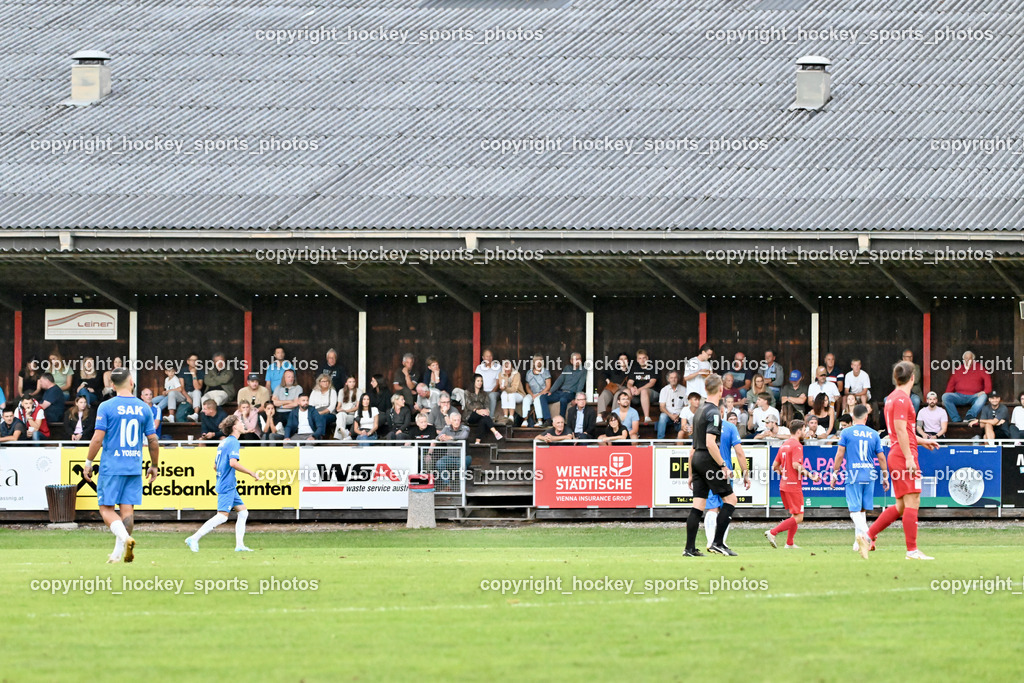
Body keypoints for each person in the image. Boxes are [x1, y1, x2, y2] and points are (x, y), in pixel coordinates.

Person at [81, 367, 159, 564]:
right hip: (133, 466)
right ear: (132, 382)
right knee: (127, 511)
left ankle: (125, 539)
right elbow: (153, 441)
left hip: (112, 466)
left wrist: (88, 463)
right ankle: (117, 554)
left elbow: (97, 439)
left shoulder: (106, 407)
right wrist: (154, 465)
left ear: (112, 385)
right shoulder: (144, 407)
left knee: (106, 509)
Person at [866, 361, 940, 560]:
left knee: (900, 506)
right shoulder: (902, 399)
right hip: (902, 454)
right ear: (913, 378)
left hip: (897, 452)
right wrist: (909, 457)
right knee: (913, 501)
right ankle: (912, 551)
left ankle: (867, 535)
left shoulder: (892, 397)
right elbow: (900, 429)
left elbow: (904, 431)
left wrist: (923, 441)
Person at [682, 374, 739, 557]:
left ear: (706, 389)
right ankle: (718, 542)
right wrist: (723, 465)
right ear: (721, 390)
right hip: (708, 460)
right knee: (731, 500)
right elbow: (710, 443)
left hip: (697, 458)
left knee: (698, 504)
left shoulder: (698, 411)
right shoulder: (714, 412)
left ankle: (689, 548)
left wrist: (691, 472)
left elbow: (693, 446)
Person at [185, 415, 260, 553]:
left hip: (225, 481)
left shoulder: (224, 442)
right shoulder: (233, 442)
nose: (243, 424)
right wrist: (251, 473)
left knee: (243, 512)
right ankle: (194, 538)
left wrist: (223, 474)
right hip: (227, 483)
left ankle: (240, 545)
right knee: (222, 516)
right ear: (234, 426)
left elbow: (215, 466)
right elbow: (233, 463)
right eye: (240, 422)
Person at [830, 404, 887, 559]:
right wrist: (885, 475)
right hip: (869, 474)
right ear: (866, 416)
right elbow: (881, 457)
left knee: (854, 510)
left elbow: (840, 455)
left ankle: (869, 534)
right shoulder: (874, 434)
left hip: (854, 474)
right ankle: (857, 544)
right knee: (862, 510)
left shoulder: (847, 432)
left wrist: (834, 474)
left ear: (853, 417)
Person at [698, 404, 750, 552]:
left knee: (712, 508)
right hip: (724, 471)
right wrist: (745, 474)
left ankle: (710, 542)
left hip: (707, 470)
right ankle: (720, 543)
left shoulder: (704, 427)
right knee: (726, 506)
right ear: (723, 411)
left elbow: (694, 450)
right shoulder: (730, 427)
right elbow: (740, 453)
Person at [765, 420, 818, 550]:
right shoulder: (797, 445)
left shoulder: (784, 444)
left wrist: (783, 472)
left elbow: (774, 466)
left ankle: (789, 543)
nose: (805, 432)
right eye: (804, 429)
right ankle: (772, 532)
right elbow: (796, 465)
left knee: (794, 515)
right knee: (799, 517)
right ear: (799, 431)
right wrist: (811, 475)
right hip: (793, 485)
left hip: (784, 485)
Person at [941, 350, 991, 423]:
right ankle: (956, 419)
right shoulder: (958, 369)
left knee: (983, 396)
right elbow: (951, 383)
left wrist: (985, 391)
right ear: (963, 359)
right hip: (959, 396)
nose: (967, 360)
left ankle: (969, 416)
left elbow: (988, 380)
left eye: (969, 358)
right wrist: (945, 398)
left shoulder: (979, 367)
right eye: (965, 358)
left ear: (973, 359)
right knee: (945, 396)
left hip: (974, 396)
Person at [463, 374, 504, 444]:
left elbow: (487, 405)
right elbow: (469, 405)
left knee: (484, 419)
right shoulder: (467, 392)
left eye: (481, 381)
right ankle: (495, 431)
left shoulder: (484, 394)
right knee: (483, 416)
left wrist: (487, 410)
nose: (480, 383)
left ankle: (477, 442)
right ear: (474, 382)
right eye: (478, 381)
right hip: (470, 415)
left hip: (482, 415)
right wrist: (478, 411)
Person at [547, 352, 586, 417]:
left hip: (570, 393)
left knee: (563, 399)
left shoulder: (583, 370)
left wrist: (577, 398)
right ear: (571, 361)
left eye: (579, 359)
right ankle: (547, 419)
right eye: (575, 359)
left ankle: (561, 419)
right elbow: (559, 380)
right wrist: (551, 391)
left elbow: (580, 386)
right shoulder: (567, 368)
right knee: (543, 397)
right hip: (561, 392)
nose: (577, 361)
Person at [625, 349, 658, 424]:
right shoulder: (635, 369)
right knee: (626, 391)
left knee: (644, 391)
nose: (642, 360)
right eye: (640, 358)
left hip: (651, 394)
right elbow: (629, 383)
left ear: (647, 358)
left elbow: (652, 383)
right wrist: (632, 388)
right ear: (637, 360)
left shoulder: (652, 368)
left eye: (644, 358)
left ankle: (646, 417)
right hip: (637, 395)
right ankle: (625, 417)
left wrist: (639, 389)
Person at [435, 412, 471, 478]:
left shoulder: (465, 428)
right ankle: (447, 485)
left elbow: (463, 437)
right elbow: (437, 437)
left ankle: (462, 486)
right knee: (439, 463)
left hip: (463, 456)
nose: (457, 422)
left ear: (460, 420)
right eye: (454, 420)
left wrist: (450, 437)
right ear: (451, 421)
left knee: (462, 464)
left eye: (458, 420)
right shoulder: (446, 428)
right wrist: (441, 438)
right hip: (450, 456)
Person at [596, 352, 631, 420]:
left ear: (628, 361)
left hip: (622, 389)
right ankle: (599, 416)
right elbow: (603, 373)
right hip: (612, 388)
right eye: (621, 359)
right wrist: (607, 380)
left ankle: (614, 417)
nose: (623, 361)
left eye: (625, 359)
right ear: (618, 361)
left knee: (618, 395)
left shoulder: (630, 370)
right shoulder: (613, 369)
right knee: (604, 394)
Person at [522, 355, 552, 427]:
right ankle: (525, 420)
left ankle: (539, 421)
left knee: (537, 400)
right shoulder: (529, 372)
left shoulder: (545, 372)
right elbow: (527, 387)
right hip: (532, 393)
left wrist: (537, 395)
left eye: (540, 360)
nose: (539, 362)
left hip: (542, 393)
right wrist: (532, 395)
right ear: (534, 362)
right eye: (537, 360)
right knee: (526, 399)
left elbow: (548, 386)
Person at [657, 371, 687, 439]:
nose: (673, 379)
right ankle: (660, 439)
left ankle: (680, 439)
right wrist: (671, 415)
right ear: (668, 379)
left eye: (675, 377)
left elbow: (686, 406)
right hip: (668, 415)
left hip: (680, 415)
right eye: (671, 378)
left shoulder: (684, 390)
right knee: (662, 417)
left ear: (678, 379)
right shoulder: (664, 390)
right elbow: (662, 407)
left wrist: (679, 415)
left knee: (685, 418)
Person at [175, 354, 204, 420]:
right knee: (172, 394)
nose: (194, 362)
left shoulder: (200, 371)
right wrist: (188, 398)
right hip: (184, 394)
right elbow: (181, 387)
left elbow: (197, 387)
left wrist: (194, 375)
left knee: (197, 391)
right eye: (192, 360)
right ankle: (171, 416)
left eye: (196, 360)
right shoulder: (183, 370)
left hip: (195, 394)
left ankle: (196, 414)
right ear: (188, 361)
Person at [474, 349, 502, 415]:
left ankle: (491, 417)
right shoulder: (479, 368)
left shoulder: (498, 367)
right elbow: (476, 382)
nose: (488, 358)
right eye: (487, 356)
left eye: (490, 356)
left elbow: (498, 383)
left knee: (491, 396)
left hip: (494, 392)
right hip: (482, 391)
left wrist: (490, 393)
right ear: (483, 358)